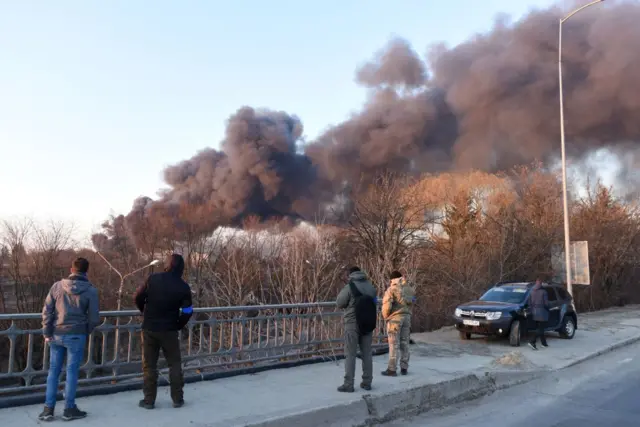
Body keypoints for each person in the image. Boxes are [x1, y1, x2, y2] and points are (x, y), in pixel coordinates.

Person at [39, 257, 100, 422]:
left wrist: (47, 331)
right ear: (86, 271)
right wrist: (85, 330)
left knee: (53, 371)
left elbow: (47, 310)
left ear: (71, 269)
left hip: (56, 334)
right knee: (72, 372)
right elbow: (94, 317)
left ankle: (48, 409)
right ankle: (69, 409)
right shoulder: (90, 290)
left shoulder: (57, 286)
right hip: (76, 335)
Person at [134, 254, 193, 409]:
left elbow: (138, 296)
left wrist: (144, 311)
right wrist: (178, 324)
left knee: (149, 365)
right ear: (181, 268)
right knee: (174, 364)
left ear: (167, 265)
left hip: (150, 328)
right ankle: (177, 399)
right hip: (169, 330)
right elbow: (187, 311)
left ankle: (148, 400)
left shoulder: (153, 279)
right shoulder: (183, 287)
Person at [336, 266, 377, 392]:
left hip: (352, 324)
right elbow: (374, 302)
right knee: (367, 354)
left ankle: (348, 384)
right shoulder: (371, 286)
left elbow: (339, 303)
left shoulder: (350, 287)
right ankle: (367, 382)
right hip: (367, 323)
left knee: (350, 354)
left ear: (350, 274)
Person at [381, 271, 416, 376]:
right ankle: (404, 368)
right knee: (405, 343)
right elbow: (413, 301)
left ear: (392, 279)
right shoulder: (409, 289)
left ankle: (392, 369)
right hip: (407, 318)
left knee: (393, 344)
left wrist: (386, 317)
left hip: (395, 319)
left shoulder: (391, 289)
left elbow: (386, 306)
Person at [528, 278, 549, 350]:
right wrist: (548, 309)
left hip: (534, 312)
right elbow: (546, 304)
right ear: (541, 283)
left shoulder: (531, 291)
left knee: (539, 328)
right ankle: (532, 341)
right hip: (542, 312)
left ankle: (544, 343)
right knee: (541, 329)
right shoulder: (544, 292)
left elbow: (529, 303)